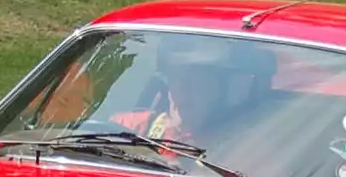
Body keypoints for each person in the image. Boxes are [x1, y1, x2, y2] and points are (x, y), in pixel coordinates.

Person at [108, 37, 270, 144]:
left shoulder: (243, 147)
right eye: (175, 79)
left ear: (224, 90)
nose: (182, 92)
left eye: (197, 82)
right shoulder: (130, 126)